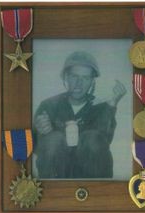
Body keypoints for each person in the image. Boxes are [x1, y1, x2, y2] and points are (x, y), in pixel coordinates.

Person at [33, 51, 126, 179]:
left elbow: (104, 140)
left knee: (92, 138)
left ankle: (98, 191)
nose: (79, 83)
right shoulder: (49, 105)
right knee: (53, 139)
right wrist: (40, 132)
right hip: (57, 179)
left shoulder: (101, 107)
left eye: (85, 78)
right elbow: (35, 148)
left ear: (92, 82)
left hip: (90, 178)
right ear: (66, 77)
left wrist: (112, 105)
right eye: (74, 76)